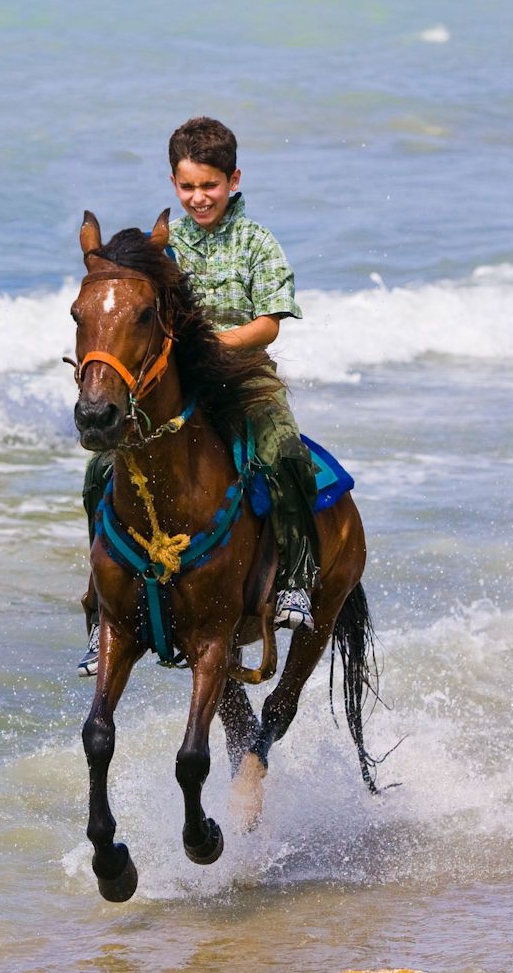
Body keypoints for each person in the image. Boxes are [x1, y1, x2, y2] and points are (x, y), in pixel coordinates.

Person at [77, 116, 320, 676]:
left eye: (209, 185)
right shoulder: (162, 250)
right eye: (187, 186)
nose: (199, 197)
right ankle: (101, 610)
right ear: (173, 184)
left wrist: (213, 343)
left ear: (233, 180)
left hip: (245, 378)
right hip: (176, 385)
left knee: (285, 452)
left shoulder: (257, 243)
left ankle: (296, 580)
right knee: (99, 473)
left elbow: (268, 325)